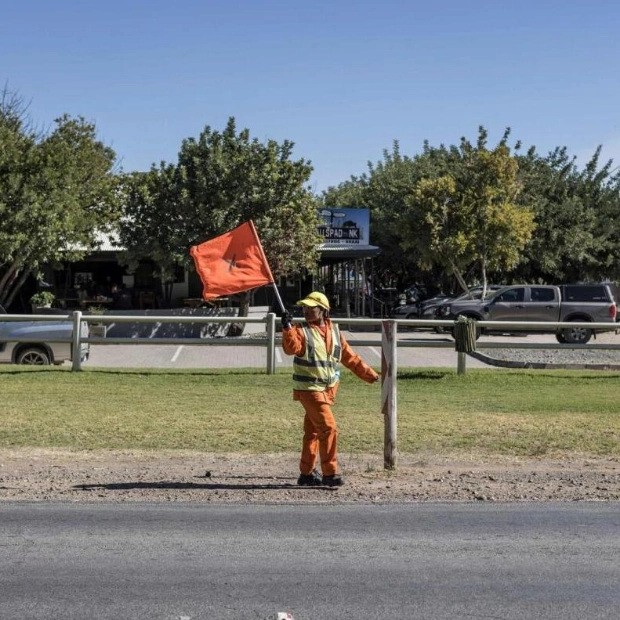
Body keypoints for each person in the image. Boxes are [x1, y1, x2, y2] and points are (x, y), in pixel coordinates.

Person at [281, 291, 380, 487]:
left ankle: (306, 474)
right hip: (309, 389)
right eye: (305, 308)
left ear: (323, 311)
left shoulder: (335, 331)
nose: (307, 311)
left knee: (313, 432)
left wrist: (370, 375)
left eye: (311, 308)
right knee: (329, 428)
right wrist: (287, 327)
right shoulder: (300, 330)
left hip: (327, 390)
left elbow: (350, 358)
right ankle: (330, 474)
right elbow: (291, 348)